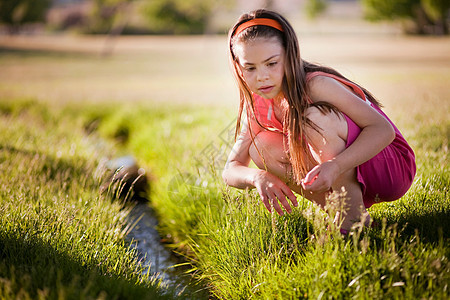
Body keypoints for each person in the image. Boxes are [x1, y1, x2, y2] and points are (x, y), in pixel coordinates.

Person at [222, 9, 416, 234]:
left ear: (289, 56)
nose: (262, 76)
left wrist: (336, 166)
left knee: (314, 118)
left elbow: (383, 130)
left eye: (271, 63)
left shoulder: (316, 85)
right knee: (259, 145)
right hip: (342, 170)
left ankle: (352, 224)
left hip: (387, 166)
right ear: (238, 67)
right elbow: (231, 169)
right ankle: (342, 211)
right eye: (250, 68)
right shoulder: (257, 103)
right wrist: (258, 177)